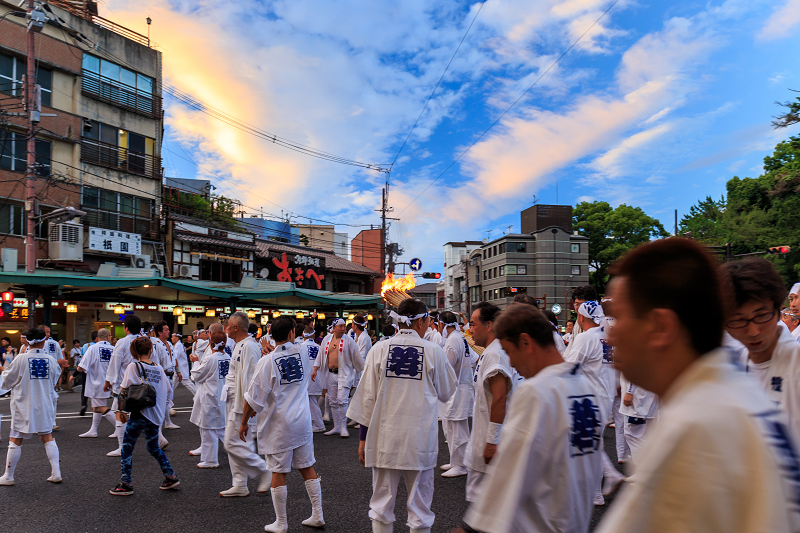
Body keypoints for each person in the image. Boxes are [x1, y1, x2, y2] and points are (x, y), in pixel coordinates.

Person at [596, 238, 800, 533]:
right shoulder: (723, 388)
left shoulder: (696, 423)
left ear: (661, 326)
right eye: (739, 320)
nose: (611, 336)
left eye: (622, 317)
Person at [456, 304, 604, 533]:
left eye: (510, 352)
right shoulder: (586, 387)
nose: (511, 363)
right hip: (575, 518)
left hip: (541, 519)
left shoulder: (537, 391)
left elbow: (509, 472)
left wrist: (472, 528)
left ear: (526, 342)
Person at [348, 298, 456, 533]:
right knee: (420, 507)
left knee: (381, 504)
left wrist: (363, 439)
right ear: (421, 322)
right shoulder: (434, 351)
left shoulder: (378, 350)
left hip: (383, 437)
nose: (429, 325)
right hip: (419, 438)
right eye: (428, 320)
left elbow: (367, 398)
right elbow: (447, 392)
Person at [240, 316, 325, 532]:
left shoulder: (266, 362)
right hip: (302, 421)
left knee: (279, 472)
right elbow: (293, 348)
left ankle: (282, 522)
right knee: (307, 466)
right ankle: (318, 514)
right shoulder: (303, 352)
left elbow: (253, 398)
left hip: (280, 425)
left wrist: (243, 422)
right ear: (291, 334)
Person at [720, 259, 800, 437]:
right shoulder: (726, 368)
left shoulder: (795, 366)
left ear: (779, 310)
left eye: (762, 315)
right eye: (739, 320)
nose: (753, 331)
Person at [564, 300, 625, 505]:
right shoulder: (608, 338)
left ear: (581, 318)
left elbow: (569, 368)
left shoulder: (584, 338)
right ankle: (596, 493)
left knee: (584, 443)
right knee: (590, 443)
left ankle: (607, 478)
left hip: (588, 399)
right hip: (606, 397)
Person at [110, 335, 179, 496]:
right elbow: (168, 390)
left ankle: (126, 483)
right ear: (151, 349)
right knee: (153, 447)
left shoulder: (133, 367)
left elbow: (124, 390)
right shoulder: (159, 368)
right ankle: (170, 476)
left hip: (139, 413)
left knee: (127, 448)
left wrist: (121, 411)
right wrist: (163, 408)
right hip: (155, 415)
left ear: (134, 352)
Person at [464, 302, 515, 503]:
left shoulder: (495, 353)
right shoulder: (492, 350)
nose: (470, 330)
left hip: (493, 441)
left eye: (474, 324)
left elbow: (500, 398)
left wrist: (492, 441)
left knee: (488, 504)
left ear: (489, 325)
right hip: (485, 436)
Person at [0, 328, 62, 485]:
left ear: (27, 341)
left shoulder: (21, 358)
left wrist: (3, 371)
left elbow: (7, 381)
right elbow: (54, 380)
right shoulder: (50, 360)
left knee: (15, 438)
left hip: (24, 403)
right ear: (43, 341)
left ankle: (8, 475)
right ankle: (56, 473)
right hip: (45, 402)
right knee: (47, 436)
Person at [220, 311, 269, 497]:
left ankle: (263, 469)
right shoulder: (239, 345)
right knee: (239, 443)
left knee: (231, 444)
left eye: (227, 326)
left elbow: (251, 379)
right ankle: (240, 483)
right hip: (234, 401)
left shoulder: (249, 347)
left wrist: (248, 409)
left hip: (241, 404)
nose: (225, 329)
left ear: (235, 327)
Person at [311, 317, 363, 438]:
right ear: (334, 328)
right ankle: (336, 427)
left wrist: (361, 370)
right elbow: (320, 355)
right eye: (341, 326)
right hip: (330, 374)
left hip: (344, 374)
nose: (344, 328)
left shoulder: (349, 340)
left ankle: (343, 427)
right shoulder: (326, 339)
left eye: (345, 326)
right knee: (333, 401)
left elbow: (357, 356)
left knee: (342, 400)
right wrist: (315, 369)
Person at [438, 311, 474, 479]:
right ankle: (456, 461)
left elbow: (447, 368)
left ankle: (462, 465)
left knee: (458, 430)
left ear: (443, 325)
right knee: (452, 428)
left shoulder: (453, 341)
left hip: (457, 390)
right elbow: (474, 359)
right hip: (461, 388)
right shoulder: (460, 338)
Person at [189, 323, 230, 468]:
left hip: (210, 396)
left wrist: (195, 362)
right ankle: (236, 451)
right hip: (219, 395)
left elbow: (197, 375)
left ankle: (211, 459)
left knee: (208, 429)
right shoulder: (226, 357)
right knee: (219, 427)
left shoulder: (212, 358)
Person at [104, 315, 142, 457]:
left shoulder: (123, 342)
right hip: (143, 384)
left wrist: (108, 381)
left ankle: (123, 447)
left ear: (126, 328)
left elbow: (115, 362)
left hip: (124, 385)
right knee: (142, 415)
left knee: (120, 415)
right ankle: (159, 439)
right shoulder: (145, 341)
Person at [76, 329, 116, 438]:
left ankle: (120, 428)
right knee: (96, 407)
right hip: (109, 381)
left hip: (96, 381)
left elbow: (82, 365)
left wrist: (73, 375)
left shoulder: (93, 348)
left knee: (100, 407)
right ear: (108, 337)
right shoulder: (113, 349)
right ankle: (93, 430)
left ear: (97, 337)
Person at [300, 326, 325, 433]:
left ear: (302, 336)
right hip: (317, 376)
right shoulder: (319, 347)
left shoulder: (300, 347)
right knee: (310, 400)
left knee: (310, 401)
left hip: (306, 377)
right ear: (314, 335)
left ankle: (319, 424)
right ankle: (313, 422)